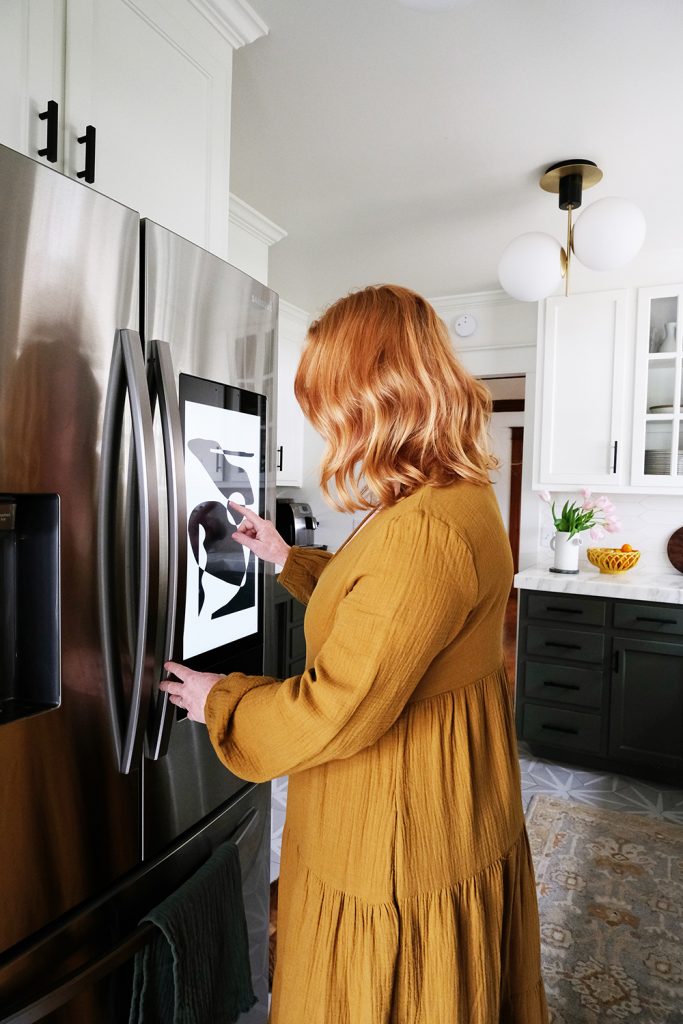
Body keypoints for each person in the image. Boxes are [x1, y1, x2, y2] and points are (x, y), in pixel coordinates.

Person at [161, 284, 548, 1023]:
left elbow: (335, 708)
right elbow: (390, 612)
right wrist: (287, 557)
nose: (326, 424)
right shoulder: (453, 493)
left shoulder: (422, 529)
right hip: (452, 791)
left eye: (329, 403)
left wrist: (222, 700)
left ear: (377, 397)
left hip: (398, 815)